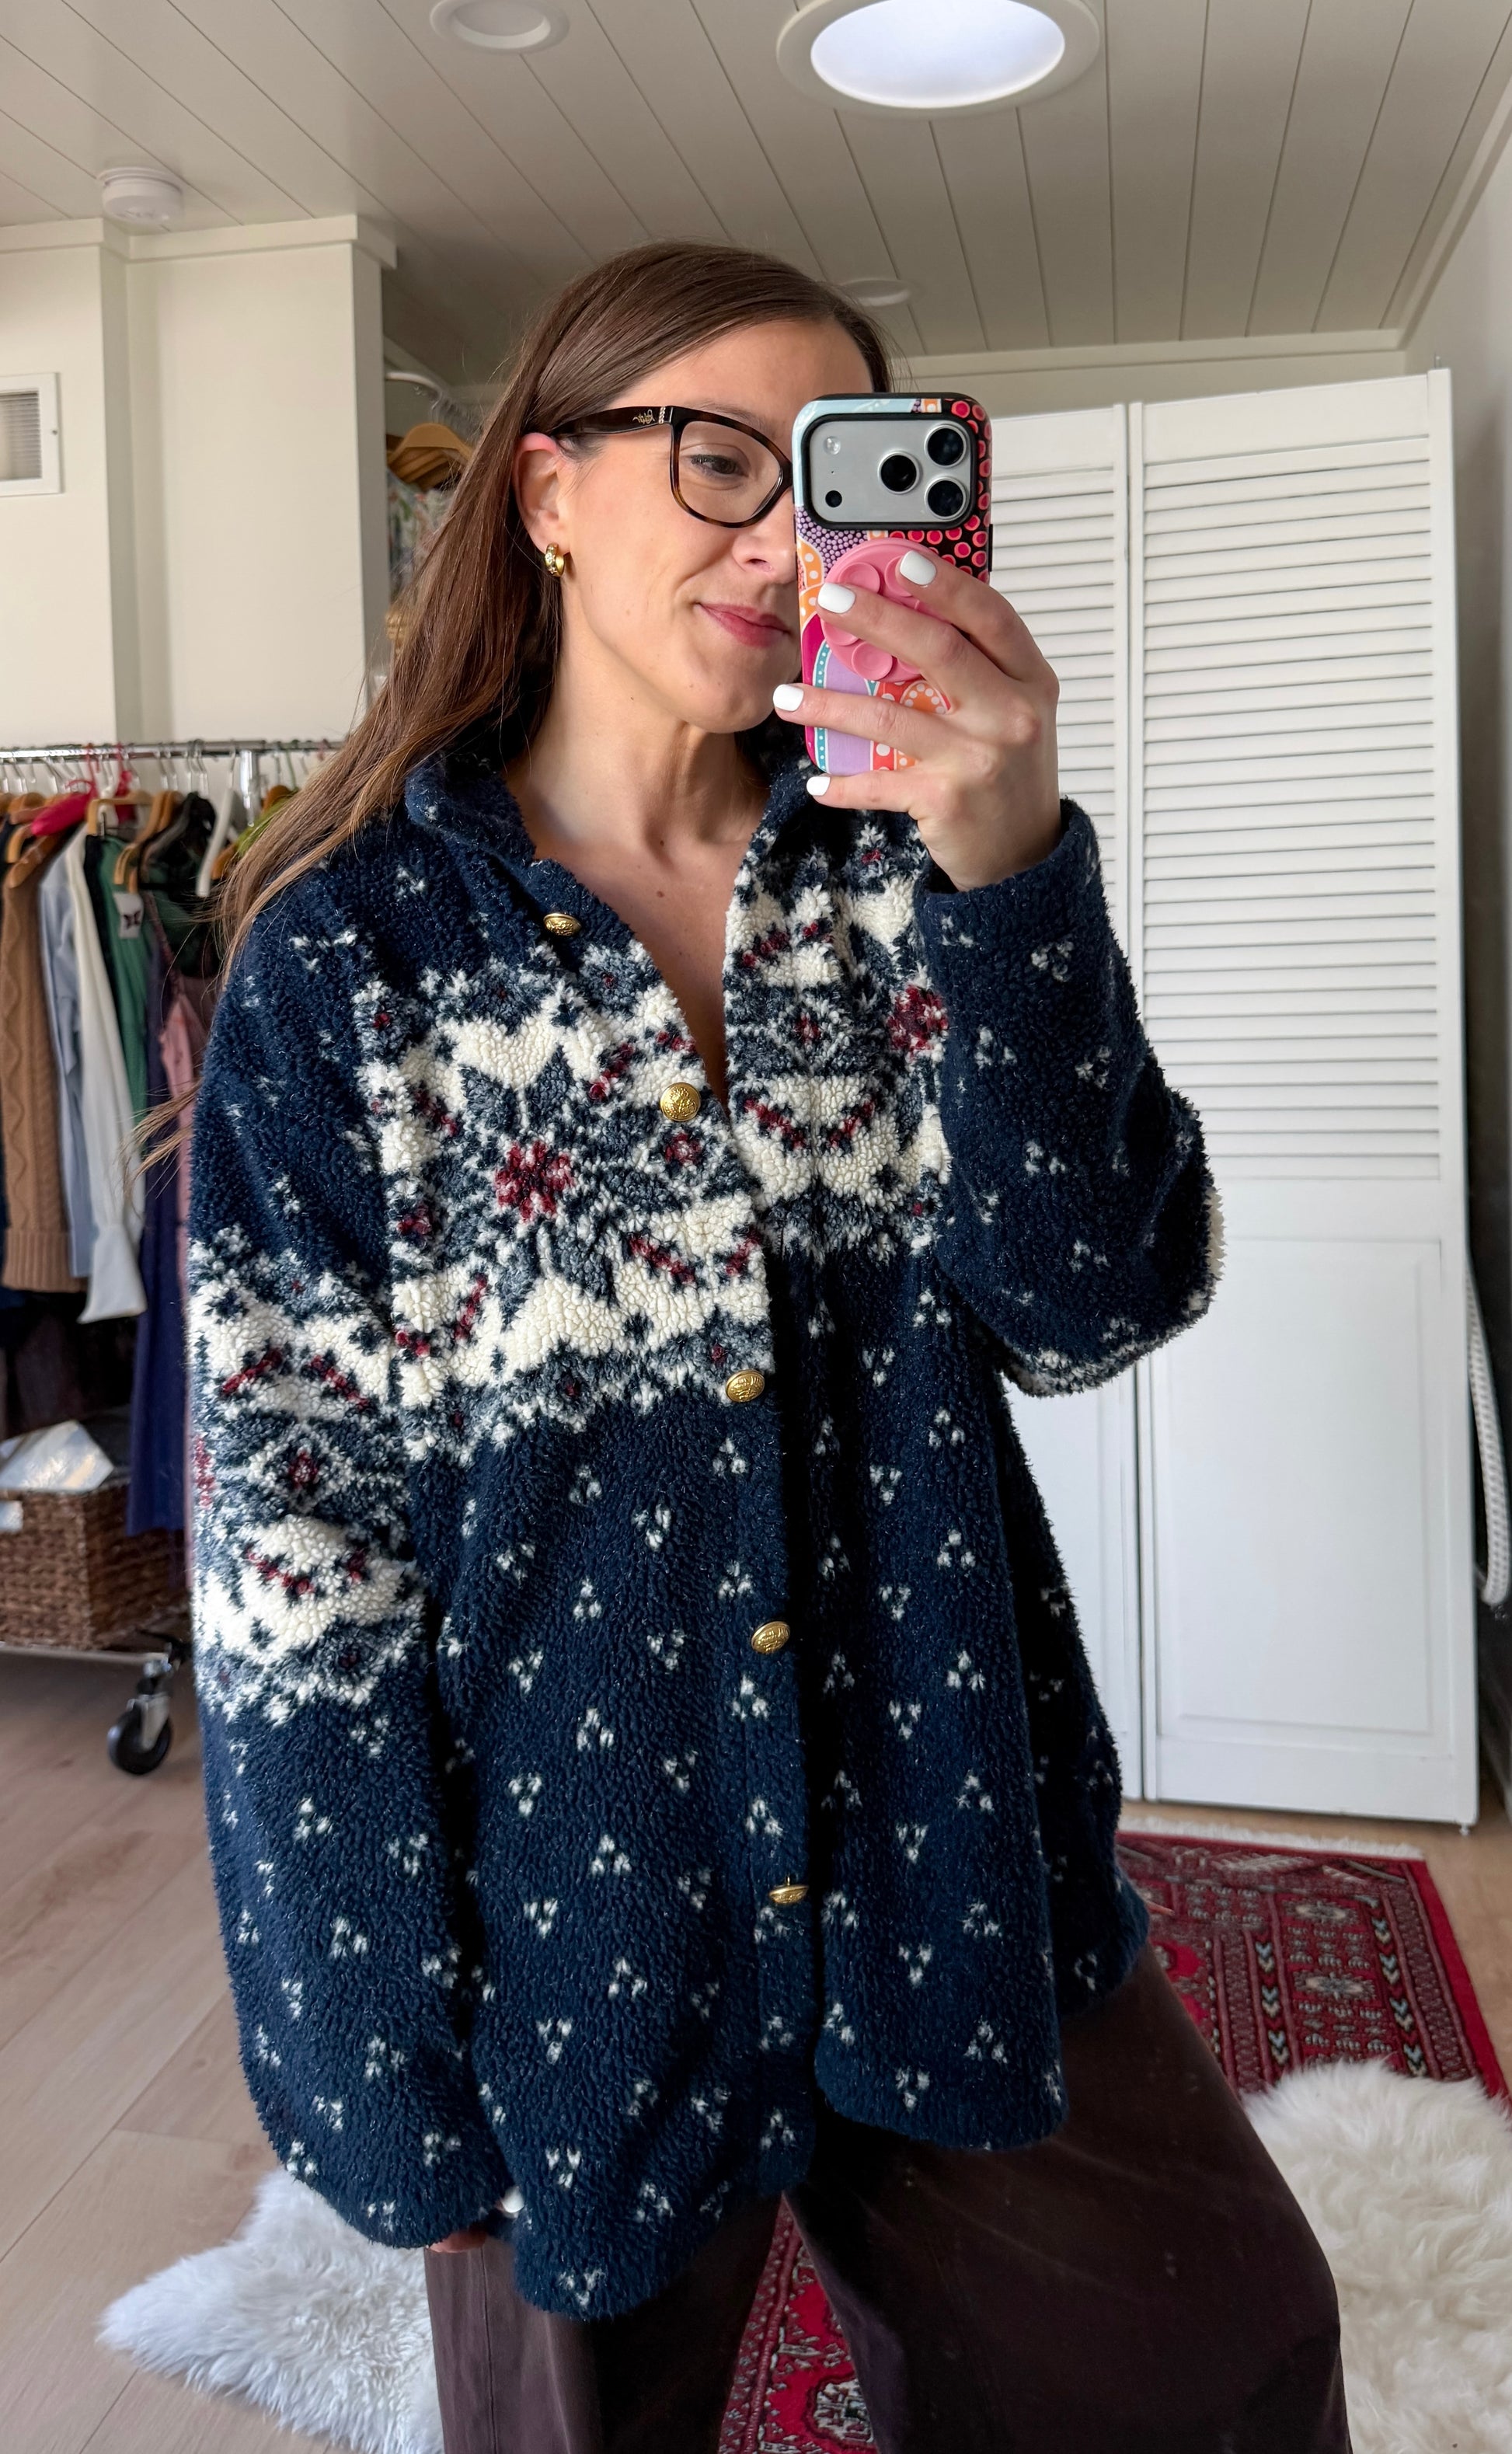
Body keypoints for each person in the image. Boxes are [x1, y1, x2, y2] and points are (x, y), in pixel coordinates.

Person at [187, 241, 1351, 2453]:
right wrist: (363, 2042)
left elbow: (1097, 1299)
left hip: (949, 1846)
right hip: (569, 1925)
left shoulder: (917, 879)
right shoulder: (353, 961)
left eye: (837, 471)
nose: (781, 530)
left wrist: (1014, 872)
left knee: (1219, 2357)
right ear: (548, 493)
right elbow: (295, 1546)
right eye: (719, 457)